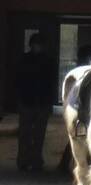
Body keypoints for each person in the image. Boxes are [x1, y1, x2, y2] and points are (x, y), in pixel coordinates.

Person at [15, 33, 58, 172]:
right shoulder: (28, 60)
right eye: (36, 44)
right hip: (30, 100)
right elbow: (19, 80)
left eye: (39, 44)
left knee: (37, 134)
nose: (38, 47)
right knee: (27, 133)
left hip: (38, 101)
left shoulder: (45, 61)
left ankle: (32, 160)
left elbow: (51, 82)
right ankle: (26, 160)